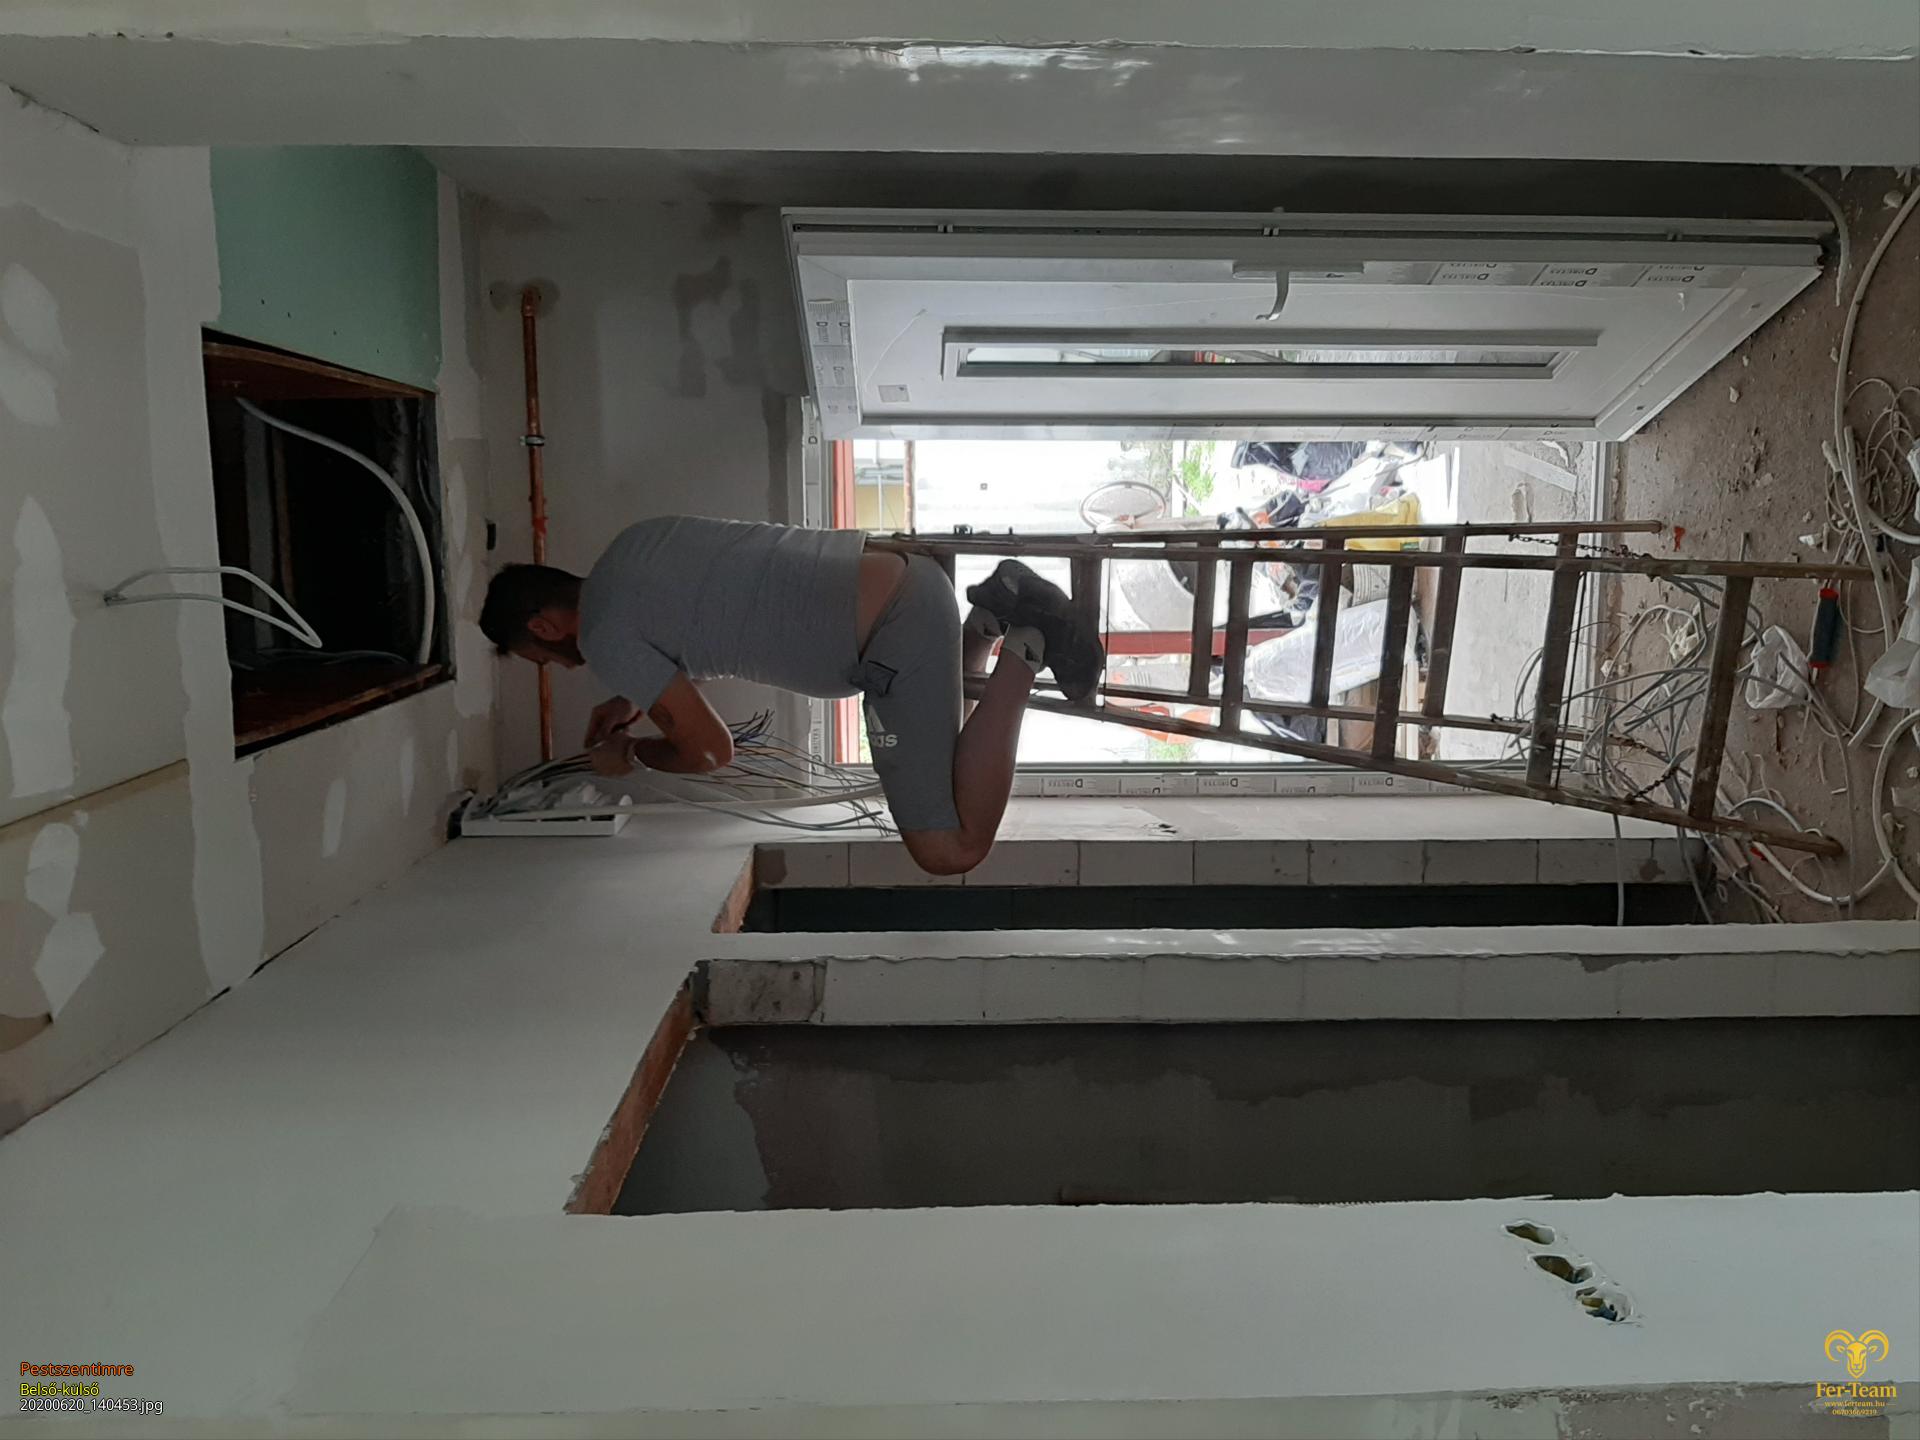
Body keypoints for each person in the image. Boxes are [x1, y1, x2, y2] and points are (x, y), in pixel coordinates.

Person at [478, 516, 1104, 875]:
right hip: (913, 583)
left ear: (543, 627)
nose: (558, 666)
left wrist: (631, 755)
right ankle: (989, 620)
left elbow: (709, 752)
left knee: (949, 849)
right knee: (944, 778)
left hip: (893, 636)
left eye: (541, 658)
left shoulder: (603, 637)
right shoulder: (630, 547)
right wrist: (635, 699)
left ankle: (1027, 641)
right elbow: (716, 614)